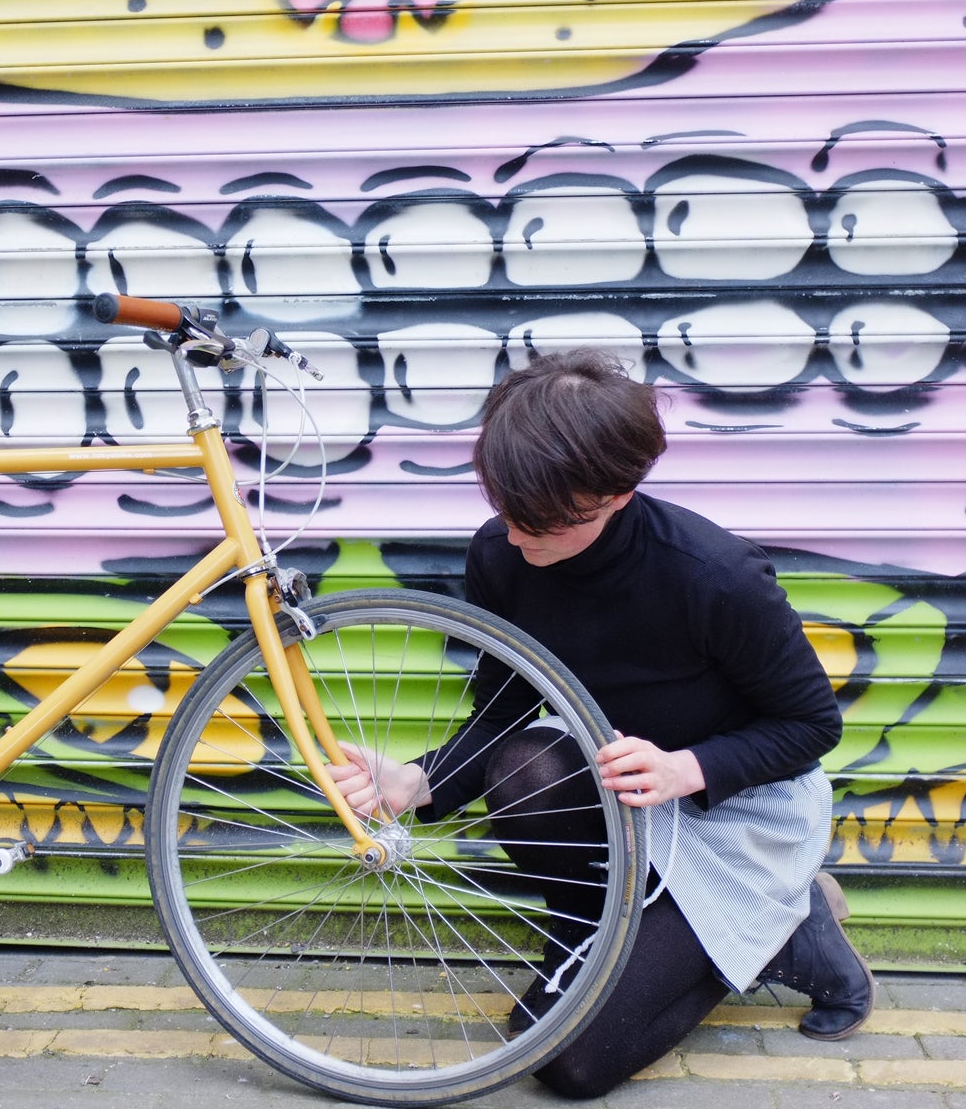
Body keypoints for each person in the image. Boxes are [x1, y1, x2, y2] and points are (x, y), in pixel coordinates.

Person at [326, 348, 875, 1098]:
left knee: (568, 1066)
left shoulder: (715, 575)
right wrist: (419, 781)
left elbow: (811, 726)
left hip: (737, 816)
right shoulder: (503, 553)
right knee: (524, 765)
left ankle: (778, 930)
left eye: (545, 521)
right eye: (507, 509)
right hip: (622, 799)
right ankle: (598, 934)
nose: (520, 538)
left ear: (618, 492)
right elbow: (505, 703)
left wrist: (688, 768)